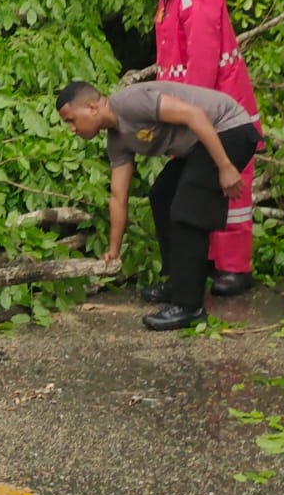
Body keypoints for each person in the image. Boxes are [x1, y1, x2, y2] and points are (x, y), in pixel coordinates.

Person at [54, 80, 261, 330]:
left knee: (187, 206)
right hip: (199, 145)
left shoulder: (131, 103)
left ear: (92, 107)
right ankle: (179, 282)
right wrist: (113, 250)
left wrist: (225, 167)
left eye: (71, 120)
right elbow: (118, 196)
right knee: (162, 195)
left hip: (229, 129)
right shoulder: (117, 140)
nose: (72, 129)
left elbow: (194, 114)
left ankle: (189, 306)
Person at [136, 0, 262, 297]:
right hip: (193, 112)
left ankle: (235, 268)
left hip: (220, 111)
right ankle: (199, 264)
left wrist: (188, 119)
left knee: (231, 187)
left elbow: (202, 67)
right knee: (193, 187)